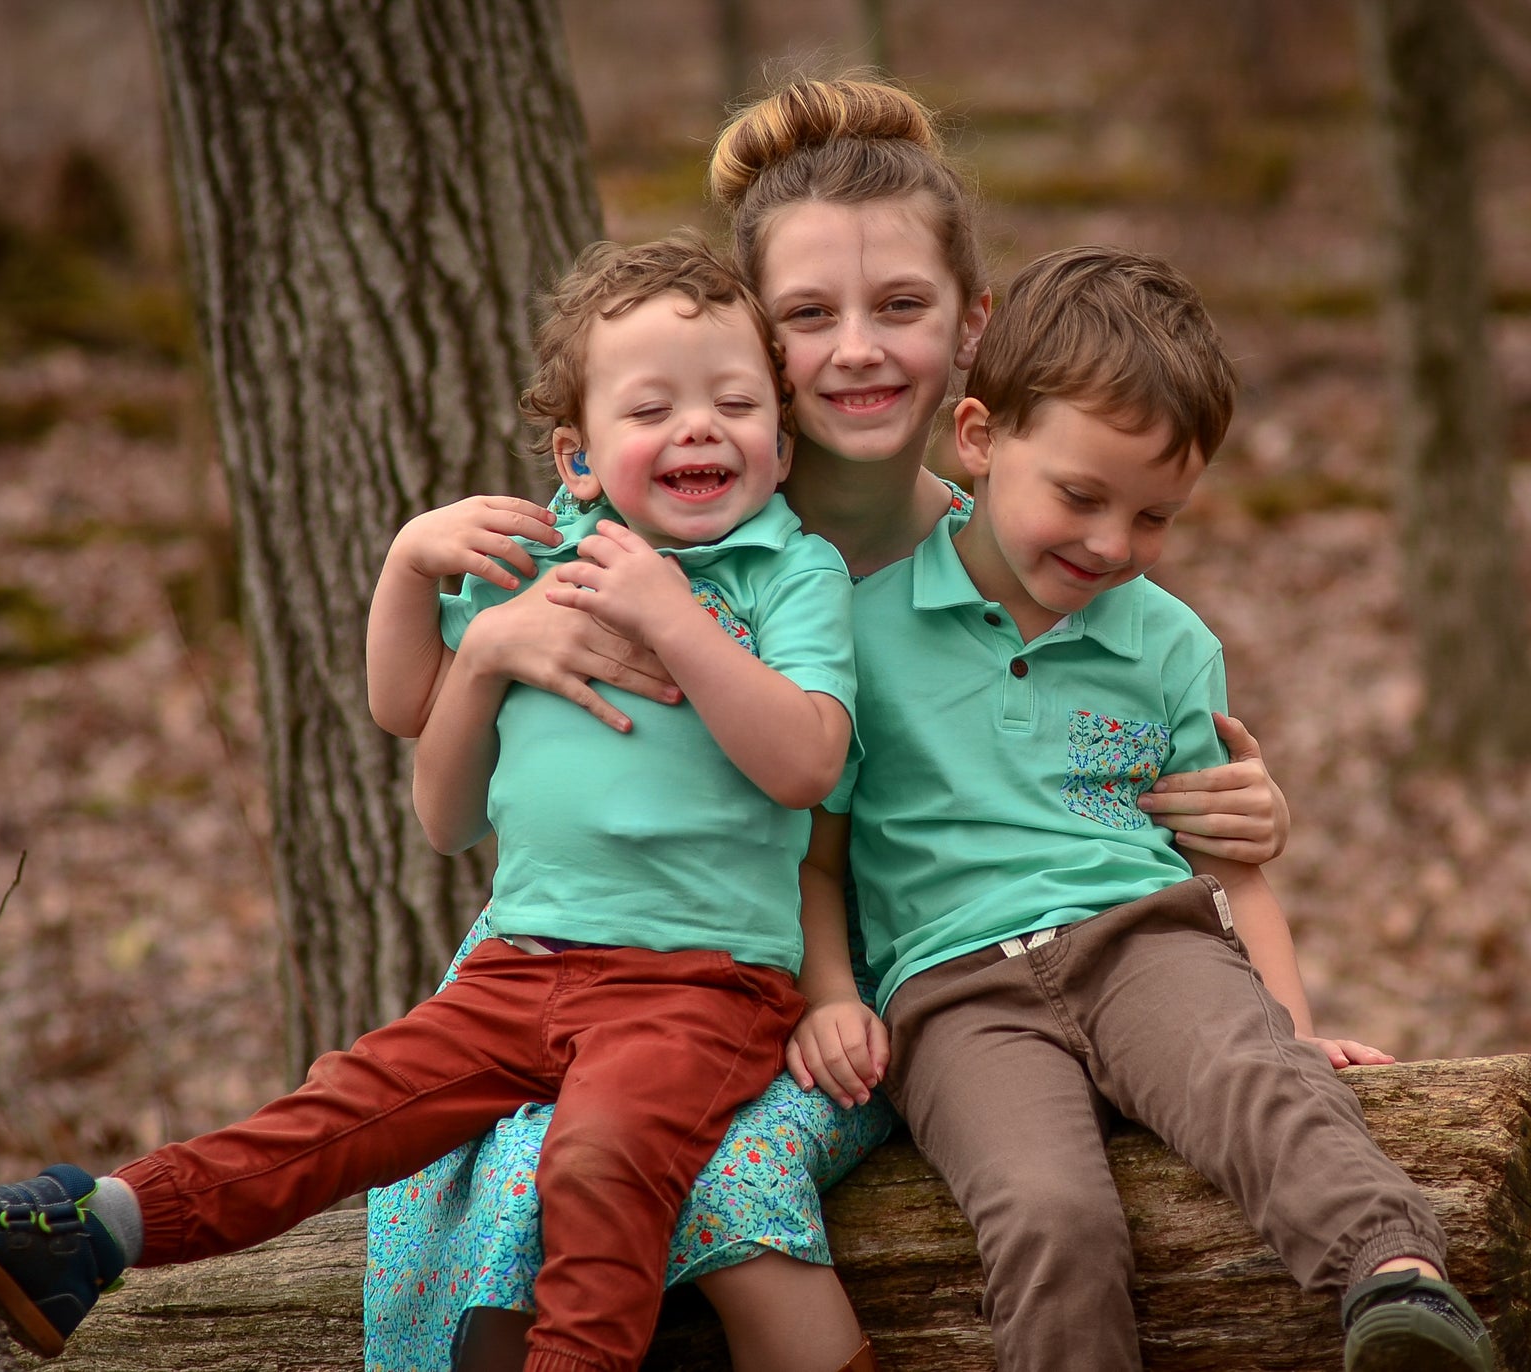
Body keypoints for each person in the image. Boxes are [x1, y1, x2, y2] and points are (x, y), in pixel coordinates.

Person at [362, 75, 1292, 1372]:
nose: (855, 349)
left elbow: (1102, 780)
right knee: (488, 1170)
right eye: (808, 317)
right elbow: (491, 767)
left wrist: (1237, 836)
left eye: (899, 307)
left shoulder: (1032, 552)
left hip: (911, 988)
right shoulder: (658, 535)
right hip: (647, 946)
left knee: (717, 1172)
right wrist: (490, 642)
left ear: (971, 331)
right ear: (757, 341)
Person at [0, 235, 858, 1372]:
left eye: (733, 402)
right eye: (652, 407)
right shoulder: (545, 555)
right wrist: (406, 564)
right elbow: (404, 704)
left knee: (597, 1166)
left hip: (696, 980)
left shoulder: (792, 572)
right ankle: (92, 1226)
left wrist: (672, 615)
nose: (698, 427)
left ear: (780, 446)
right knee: (336, 1108)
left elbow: (806, 763)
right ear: (577, 456)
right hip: (519, 964)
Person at [806, 243, 1495, 1372]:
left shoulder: (1167, 643)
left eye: (1155, 517)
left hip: (1142, 944)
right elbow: (819, 858)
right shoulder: (858, 632)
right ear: (978, 439)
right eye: (1079, 496)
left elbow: (1225, 861)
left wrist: (1289, 1022)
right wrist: (829, 994)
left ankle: (1396, 1286)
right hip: (951, 997)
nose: (1111, 545)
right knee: (1046, 1213)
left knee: (1249, 1081)